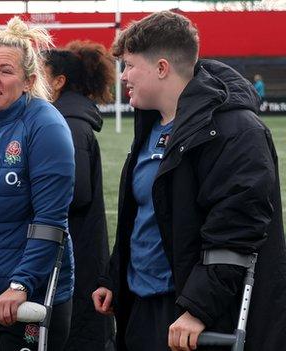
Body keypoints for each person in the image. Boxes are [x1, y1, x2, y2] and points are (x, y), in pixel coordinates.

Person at [92, 11, 286, 351]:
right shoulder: (151, 124)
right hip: (141, 305)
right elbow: (142, 215)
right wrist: (115, 276)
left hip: (191, 316)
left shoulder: (235, 130)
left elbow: (236, 229)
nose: (124, 77)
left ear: (162, 67)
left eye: (131, 66)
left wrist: (198, 308)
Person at [0, 16, 76, 351]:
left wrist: (20, 284)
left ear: (28, 81)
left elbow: (50, 222)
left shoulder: (45, 126)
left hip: (26, 299)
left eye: (6, 71)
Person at [42, 44, 115, 351]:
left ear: (58, 82)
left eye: (40, 74)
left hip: (76, 256)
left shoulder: (68, 124)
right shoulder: (67, 118)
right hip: (76, 250)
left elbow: (77, 192)